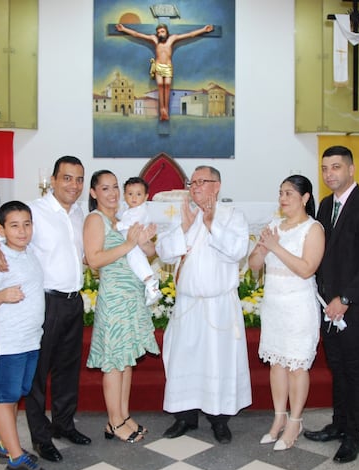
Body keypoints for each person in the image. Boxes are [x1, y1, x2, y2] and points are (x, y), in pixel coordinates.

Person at [0, 155, 90, 463]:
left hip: (74, 300)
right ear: (54, 180)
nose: (74, 185)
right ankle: (42, 439)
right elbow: (7, 235)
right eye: (67, 178)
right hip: (46, 302)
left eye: (79, 179)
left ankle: (64, 424)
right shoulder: (37, 211)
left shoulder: (79, 213)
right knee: (37, 375)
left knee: (68, 370)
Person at [303, 145, 359, 463]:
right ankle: (339, 425)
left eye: (336, 167)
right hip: (329, 306)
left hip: (354, 307)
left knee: (354, 372)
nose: (330, 174)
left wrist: (346, 299)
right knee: (336, 369)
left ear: (351, 170)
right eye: (325, 168)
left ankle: (354, 436)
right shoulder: (325, 206)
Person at [155, 165, 252, 444]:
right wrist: (185, 229)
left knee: (218, 362)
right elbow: (164, 252)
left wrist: (211, 223)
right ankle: (185, 417)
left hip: (218, 305)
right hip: (188, 304)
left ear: (217, 185)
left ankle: (219, 420)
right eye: (192, 182)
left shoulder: (233, 216)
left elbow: (236, 251)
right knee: (183, 359)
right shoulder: (185, 215)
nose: (195, 187)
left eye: (201, 181)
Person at [248, 175, 325, 451]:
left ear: (305, 198)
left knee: (296, 366)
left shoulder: (313, 229)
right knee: (277, 363)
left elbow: (307, 269)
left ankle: (295, 420)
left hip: (298, 305)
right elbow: (255, 265)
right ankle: (278, 417)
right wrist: (261, 248)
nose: (283, 198)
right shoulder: (272, 226)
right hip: (274, 305)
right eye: (281, 192)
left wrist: (275, 247)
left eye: (289, 193)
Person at [83, 170, 160, 443]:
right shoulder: (96, 219)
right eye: (105, 188)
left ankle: (124, 415)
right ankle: (114, 422)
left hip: (131, 297)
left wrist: (145, 241)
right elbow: (94, 260)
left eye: (115, 187)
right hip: (114, 298)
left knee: (127, 361)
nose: (113, 193)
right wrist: (129, 243)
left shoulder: (122, 219)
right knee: (114, 363)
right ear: (93, 193)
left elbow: (149, 254)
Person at [0, 201, 47, 470]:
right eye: (14, 225)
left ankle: (7, 446)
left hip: (30, 339)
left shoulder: (29, 252)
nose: (22, 231)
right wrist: (2, 296)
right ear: (1, 230)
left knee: (18, 393)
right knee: (6, 398)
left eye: (26, 224)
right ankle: (16, 459)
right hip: (8, 342)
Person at [115, 23, 213, 121]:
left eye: (162, 31)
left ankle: (166, 108)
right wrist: (124, 29)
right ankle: (162, 109)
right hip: (158, 66)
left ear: (166, 32)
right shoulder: (154, 39)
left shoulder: (172, 39)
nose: (160, 34)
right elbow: (137, 34)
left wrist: (203, 30)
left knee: (167, 85)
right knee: (161, 85)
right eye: (158, 32)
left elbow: (190, 34)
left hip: (168, 66)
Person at [118, 177, 162, 306]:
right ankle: (150, 284)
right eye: (130, 194)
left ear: (145, 197)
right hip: (130, 241)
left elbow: (132, 223)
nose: (134, 198)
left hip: (134, 240)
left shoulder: (141, 210)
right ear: (125, 195)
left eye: (138, 194)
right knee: (134, 260)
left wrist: (118, 226)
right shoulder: (127, 210)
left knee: (136, 258)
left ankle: (150, 282)